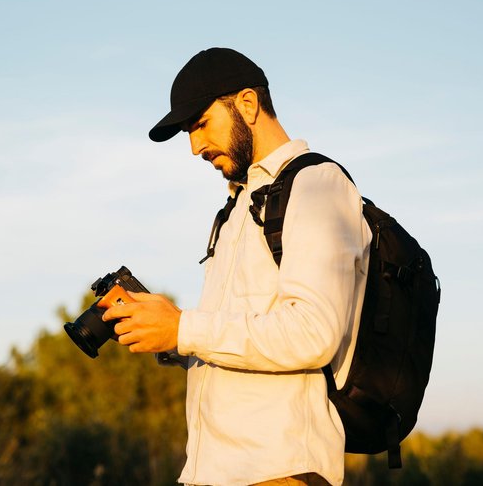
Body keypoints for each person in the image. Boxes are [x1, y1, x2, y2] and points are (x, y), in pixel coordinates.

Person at [101, 48, 371, 486]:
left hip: (278, 471)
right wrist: (167, 336)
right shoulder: (236, 208)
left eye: (201, 124)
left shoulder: (317, 184)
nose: (194, 147)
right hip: (210, 472)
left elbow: (314, 332)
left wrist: (184, 329)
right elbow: (236, 336)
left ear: (247, 103)